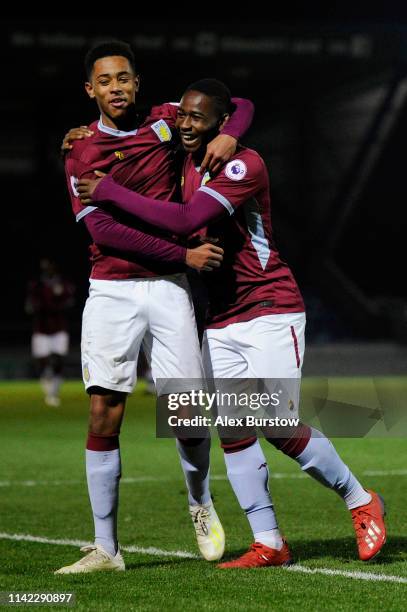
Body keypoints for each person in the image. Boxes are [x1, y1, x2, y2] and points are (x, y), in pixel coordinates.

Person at [77, 78, 387, 568]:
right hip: (220, 319)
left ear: (221, 125)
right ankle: (269, 541)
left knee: (274, 422)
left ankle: (360, 500)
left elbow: (185, 220)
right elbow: (228, 109)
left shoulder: (243, 163)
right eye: (183, 117)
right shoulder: (183, 158)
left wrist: (109, 191)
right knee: (236, 430)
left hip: (268, 307)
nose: (186, 126)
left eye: (199, 119)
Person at [56, 42, 254, 574]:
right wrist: (184, 252)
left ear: (138, 83)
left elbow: (237, 102)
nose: (116, 87)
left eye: (124, 78)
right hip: (112, 289)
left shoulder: (167, 121)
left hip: (169, 289)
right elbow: (103, 229)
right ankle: (106, 549)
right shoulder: (80, 153)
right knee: (104, 410)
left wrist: (232, 130)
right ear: (90, 90)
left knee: (185, 410)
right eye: (105, 80)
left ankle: (200, 502)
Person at [25, 258, 75, 407]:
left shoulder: (63, 284)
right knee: (43, 362)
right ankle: (48, 391)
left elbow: (69, 301)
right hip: (41, 328)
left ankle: (54, 391)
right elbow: (30, 305)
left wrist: (57, 303)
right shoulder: (36, 285)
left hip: (59, 328)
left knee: (58, 359)